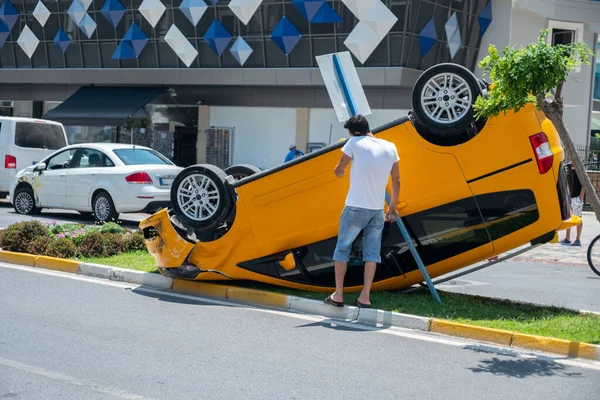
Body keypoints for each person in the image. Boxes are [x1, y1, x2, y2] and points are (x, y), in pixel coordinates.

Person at [323, 115, 400, 309]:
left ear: (353, 132)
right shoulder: (390, 147)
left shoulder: (353, 143)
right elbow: (397, 181)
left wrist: (341, 171)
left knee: (342, 249)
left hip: (355, 207)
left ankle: (338, 295)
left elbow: (339, 170)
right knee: (372, 254)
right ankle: (365, 297)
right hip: (377, 210)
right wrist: (392, 208)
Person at [560, 162, 584, 246]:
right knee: (569, 218)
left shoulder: (580, 171)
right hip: (570, 198)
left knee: (578, 218)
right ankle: (567, 238)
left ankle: (578, 240)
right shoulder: (569, 169)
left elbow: (584, 185)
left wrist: (580, 198)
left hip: (577, 198)